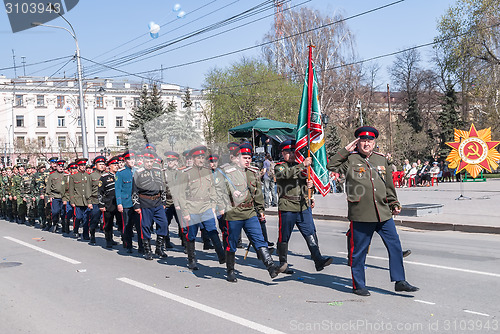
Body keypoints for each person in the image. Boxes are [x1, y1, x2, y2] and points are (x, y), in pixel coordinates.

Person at [327, 126, 419, 297]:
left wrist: (394, 202)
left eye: (370, 140)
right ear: (358, 142)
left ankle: (400, 281)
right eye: (363, 140)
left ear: (374, 142)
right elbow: (331, 165)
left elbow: (388, 184)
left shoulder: (381, 160)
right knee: (359, 252)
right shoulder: (350, 160)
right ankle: (358, 285)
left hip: (383, 212)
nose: (366, 143)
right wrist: (346, 150)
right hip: (361, 213)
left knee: (395, 246)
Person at [221, 143, 287, 282]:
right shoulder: (227, 172)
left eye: (249, 158)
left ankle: (271, 267)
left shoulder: (253, 172)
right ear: (238, 158)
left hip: (250, 212)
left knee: (259, 240)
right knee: (231, 243)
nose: (247, 160)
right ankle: (230, 270)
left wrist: (261, 210)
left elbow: (258, 194)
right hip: (233, 213)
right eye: (244, 157)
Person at [275, 140, 332, 274]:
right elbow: (285, 175)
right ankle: (283, 263)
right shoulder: (280, 166)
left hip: (303, 205)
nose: (291, 154)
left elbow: (306, 183)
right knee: (284, 236)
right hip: (288, 205)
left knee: (310, 232)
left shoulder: (301, 167)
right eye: (287, 152)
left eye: (293, 151)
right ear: (282, 153)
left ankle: (318, 259)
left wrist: (311, 188)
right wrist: (303, 165)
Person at [177, 145, 225, 270]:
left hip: (206, 207)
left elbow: (212, 189)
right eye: (198, 157)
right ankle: (191, 259)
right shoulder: (186, 174)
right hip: (192, 207)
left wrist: (213, 205)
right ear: (193, 159)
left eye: (202, 157)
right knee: (191, 235)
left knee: (212, 230)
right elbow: (181, 194)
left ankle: (221, 255)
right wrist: (185, 211)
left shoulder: (207, 171)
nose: (201, 159)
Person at [132, 149, 170, 260]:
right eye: (147, 161)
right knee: (146, 226)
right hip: (145, 203)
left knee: (163, 223)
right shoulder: (138, 173)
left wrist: (163, 202)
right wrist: (136, 206)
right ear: (143, 161)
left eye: (151, 161)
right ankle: (147, 250)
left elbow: (162, 188)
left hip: (158, 202)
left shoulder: (158, 171)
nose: (149, 164)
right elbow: (134, 191)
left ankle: (159, 248)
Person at [116, 150, 143, 253]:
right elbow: (118, 189)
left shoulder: (139, 171)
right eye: (129, 159)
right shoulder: (120, 173)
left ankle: (141, 246)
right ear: (125, 161)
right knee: (127, 226)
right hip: (126, 203)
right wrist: (119, 203)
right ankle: (128, 245)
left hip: (138, 203)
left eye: (133, 159)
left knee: (139, 225)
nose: (131, 161)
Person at [98, 156, 123, 248]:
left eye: (117, 164)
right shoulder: (104, 178)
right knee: (108, 223)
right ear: (109, 166)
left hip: (120, 203)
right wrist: (101, 204)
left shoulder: (121, 175)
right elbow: (100, 192)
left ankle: (125, 240)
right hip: (109, 203)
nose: (116, 166)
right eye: (114, 165)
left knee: (121, 222)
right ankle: (109, 239)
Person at [68, 158, 91, 240]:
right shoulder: (73, 176)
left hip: (87, 201)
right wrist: (72, 200)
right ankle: (76, 230)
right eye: (81, 165)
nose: (83, 167)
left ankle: (86, 234)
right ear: (78, 166)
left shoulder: (88, 176)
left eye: (84, 165)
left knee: (86, 218)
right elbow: (71, 189)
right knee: (78, 217)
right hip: (78, 200)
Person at [46, 160, 67, 232]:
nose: (61, 168)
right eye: (59, 166)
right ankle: (55, 223)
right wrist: (50, 195)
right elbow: (48, 186)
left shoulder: (66, 175)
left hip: (64, 196)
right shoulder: (52, 175)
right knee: (55, 212)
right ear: (57, 166)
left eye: (62, 166)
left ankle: (64, 226)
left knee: (63, 212)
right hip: (55, 195)